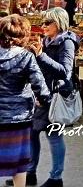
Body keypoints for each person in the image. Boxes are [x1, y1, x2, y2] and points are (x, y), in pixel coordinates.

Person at [26, 8, 78, 187]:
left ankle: (56, 178)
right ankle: (30, 173)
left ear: (59, 23)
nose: (43, 26)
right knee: (31, 133)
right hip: (42, 93)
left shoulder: (67, 42)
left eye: (47, 23)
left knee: (53, 135)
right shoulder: (47, 40)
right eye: (43, 23)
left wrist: (41, 55)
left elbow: (65, 72)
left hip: (55, 96)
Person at [0, 15, 50, 187]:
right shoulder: (26, 57)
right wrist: (43, 100)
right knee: (19, 164)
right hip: (19, 117)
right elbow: (41, 87)